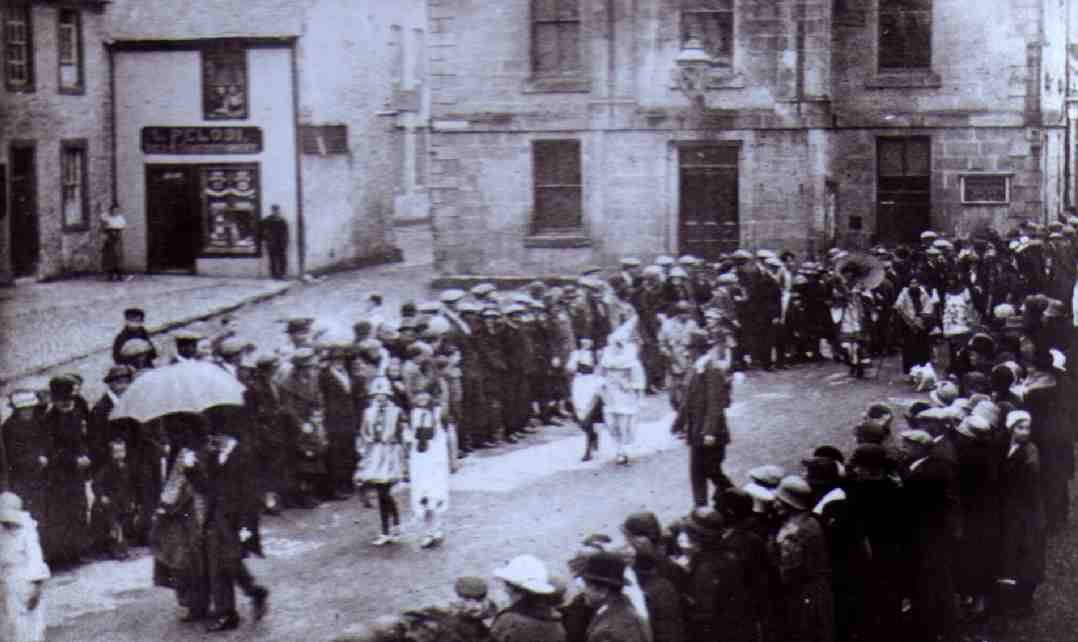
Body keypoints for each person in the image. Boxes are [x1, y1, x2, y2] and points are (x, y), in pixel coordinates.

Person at [671, 331, 733, 507]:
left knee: (712, 471)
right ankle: (700, 509)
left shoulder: (712, 369)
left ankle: (736, 499)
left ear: (698, 349)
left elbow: (715, 403)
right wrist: (678, 423)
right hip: (696, 432)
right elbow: (687, 401)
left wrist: (709, 432)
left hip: (710, 434)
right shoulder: (695, 369)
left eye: (689, 348)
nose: (686, 353)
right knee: (697, 473)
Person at [771, 475, 834, 642]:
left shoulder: (791, 533)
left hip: (803, 595)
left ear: (789, 502)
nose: (774, 504)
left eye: (778, 500)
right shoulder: (812, 521)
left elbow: (789, 573)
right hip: (820, 591)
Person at [39, 377, 91, 566]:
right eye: (63, 400)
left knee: (79, 509)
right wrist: (73, 460)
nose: (67, 403)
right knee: (62, 514)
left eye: (69, 399)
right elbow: (52, 451)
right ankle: (64, 556)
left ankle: (78, 551)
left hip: (76, 473)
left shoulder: (75, 412)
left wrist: (85, 454)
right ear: (55, 400)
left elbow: (83, 438)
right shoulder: (48, 421)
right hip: (58, 476)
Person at [354, 377, 409, 545]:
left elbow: (405, 433)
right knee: (381, 492)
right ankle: (388, 529)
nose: (380, 398)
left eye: (383, 394)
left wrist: (402, 449)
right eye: (376, 395)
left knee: (386, 492)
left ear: (388, 395)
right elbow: (363, 432)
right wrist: (364, 450)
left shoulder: (396, 411)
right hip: (375, 453)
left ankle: (394, 526)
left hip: (390, 453)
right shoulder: (369, 412)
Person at [0, 492, 50, 642]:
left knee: (31, 626)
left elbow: (36, 559)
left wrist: (37, 587)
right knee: (11, 626)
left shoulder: (27, 530)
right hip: (6, 583)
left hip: (25, 581)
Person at [575, 552, 650, 642]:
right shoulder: (624, 607)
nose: (584, 591)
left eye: (587, 585)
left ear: (602, 590)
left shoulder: (607, 631)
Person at [599, 321, 646, 465]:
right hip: (609, 394)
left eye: (619, 344)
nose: (616, 346)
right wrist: (601, 388)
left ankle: (622, 450)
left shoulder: (631, 360)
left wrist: (632, 388)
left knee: (624, 424)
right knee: (611, 424)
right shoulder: (606, 357)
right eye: (614, 343)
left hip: (625, 395)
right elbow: (600, 375)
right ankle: (618, 446)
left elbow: (639, 379)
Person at [408, 390, 450, 548]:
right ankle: (428, 531)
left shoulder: (438, 413)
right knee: (422, 495)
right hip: (419, 461)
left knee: (435, 495)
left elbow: (446, 436)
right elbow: (410, 438)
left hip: (435, 459)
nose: (422, 397)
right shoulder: (413, 415)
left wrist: (450, 460)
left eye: (426, 393)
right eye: (418, 393)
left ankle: (435, 529)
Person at [490, 555, 565, 642]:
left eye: (507, 584)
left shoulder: (509, 621)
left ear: (514, 588)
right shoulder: (556, 622)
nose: (505, 589)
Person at [567, 337, 604, 461]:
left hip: (591, 384)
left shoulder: (596, 354)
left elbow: (600, 370)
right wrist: (574, 362)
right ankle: (593, 435)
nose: (586, 343)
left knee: (590, 415)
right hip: (579, 384)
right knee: (579, 416)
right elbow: (569, 369)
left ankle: (588, 449)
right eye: (583, 341)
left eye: (588, 341)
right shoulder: (575, 354)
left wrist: (599, 384)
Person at [100, 205, 128, 282]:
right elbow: (103, 227)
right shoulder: (107, 218)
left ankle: (120, 275)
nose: (115, 212)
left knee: (118, 256)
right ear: (111, 210)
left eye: (117, 210)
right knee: (110, 257)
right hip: (110, 238)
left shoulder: (120, 218)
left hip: (118, 237)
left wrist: (116, 232)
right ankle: (110, 275)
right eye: (113, 210)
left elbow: (122, 227)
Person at [262, 205, 289, 280]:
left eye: (277, 210)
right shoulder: (267, 220)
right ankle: (274, 275)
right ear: (272, 211)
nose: (276, 212)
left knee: (282, 259)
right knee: (272, 260)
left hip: (281, 244)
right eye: (274, 210)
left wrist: (285, 242)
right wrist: (266, 239)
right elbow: (261, 230)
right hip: (271, 243)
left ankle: (282, 274)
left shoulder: (282, 220)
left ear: (278, 211)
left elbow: (286, 233)